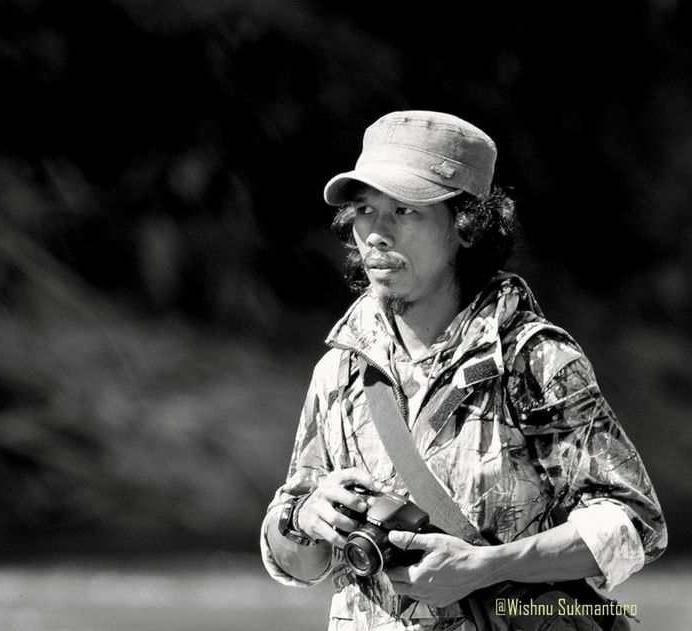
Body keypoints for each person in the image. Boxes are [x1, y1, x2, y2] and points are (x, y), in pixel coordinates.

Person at [260, 110, 666, 630]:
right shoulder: (340, 369)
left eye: (405, 210)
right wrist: (303, 520)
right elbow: (298, 565)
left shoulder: (533, 358)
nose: (376, 234)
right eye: (364, 209)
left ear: (466, 227)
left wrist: (482, 568)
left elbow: (634, 526)